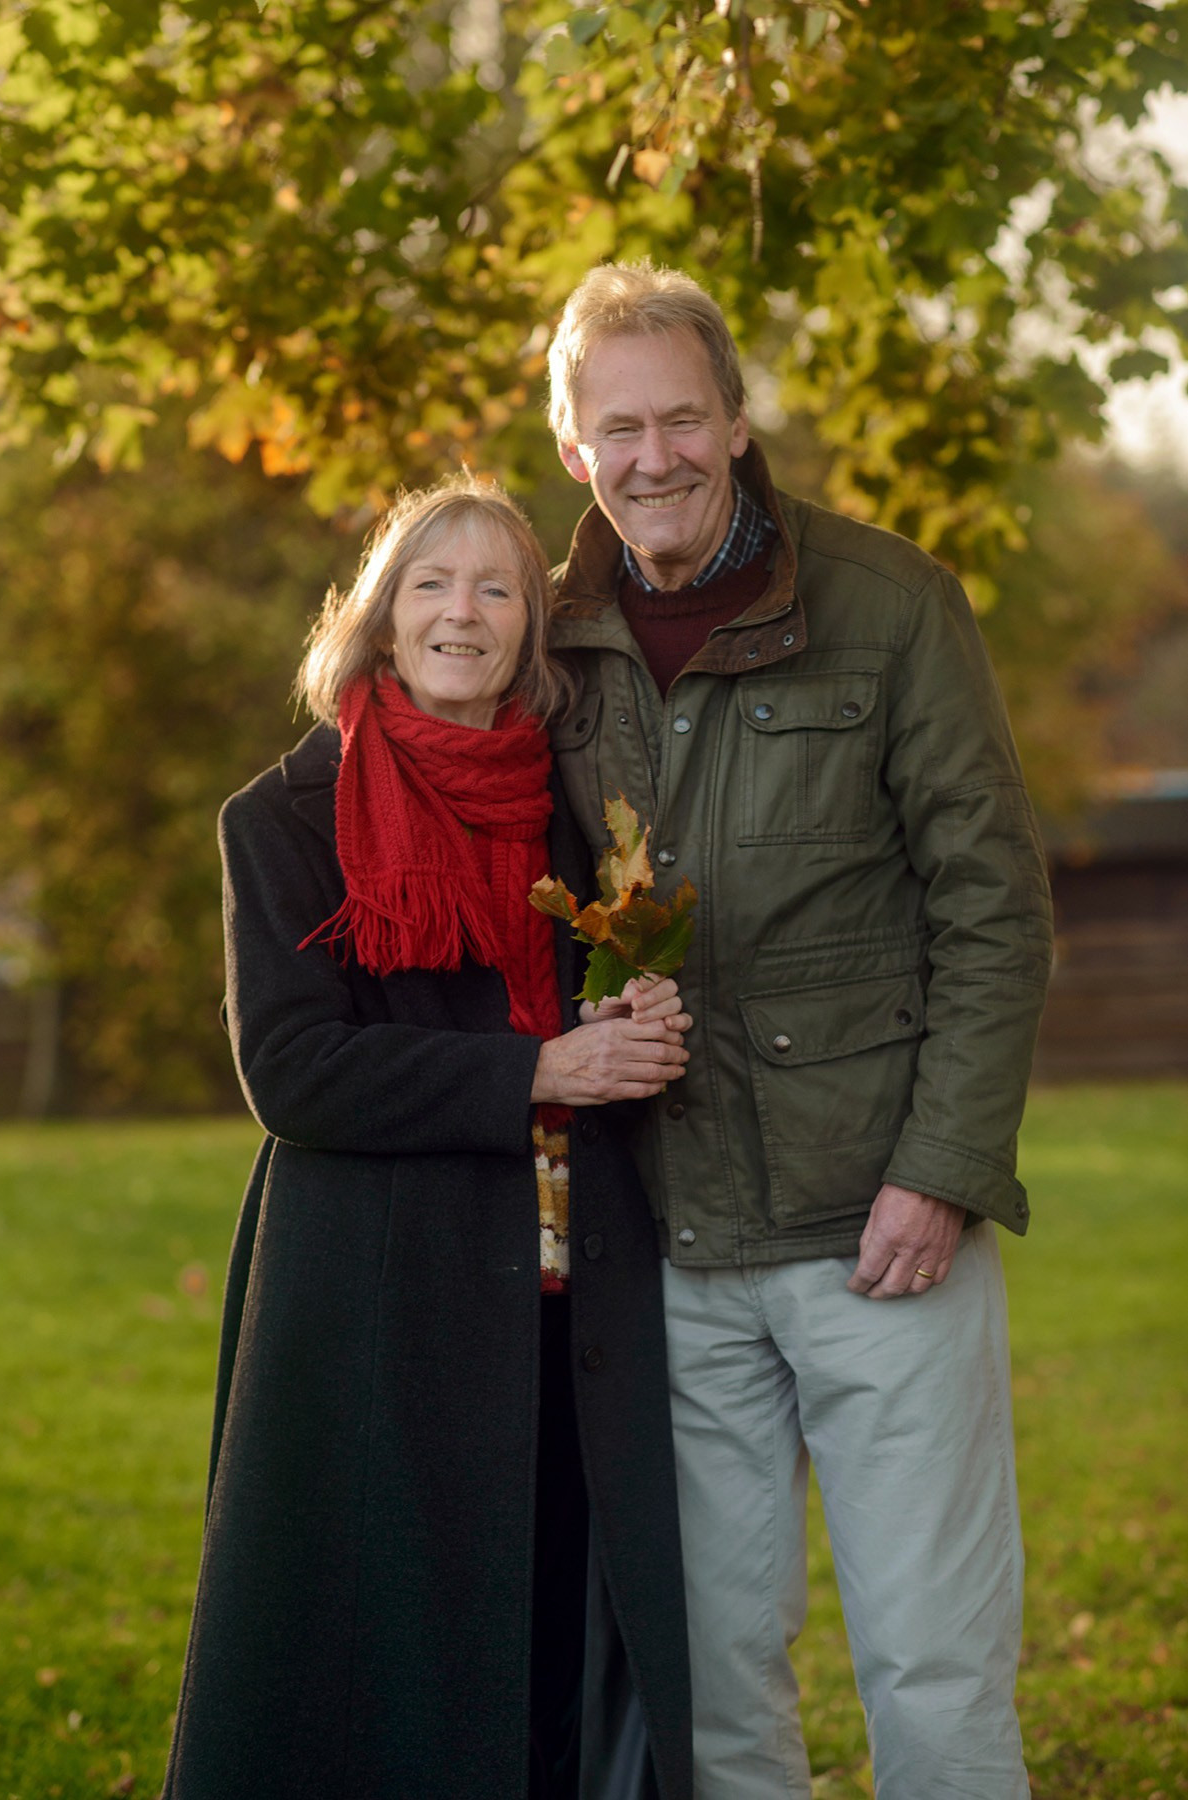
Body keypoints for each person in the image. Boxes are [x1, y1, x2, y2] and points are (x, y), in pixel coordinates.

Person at [543, 260, 1054, 1800]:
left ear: (735, 420)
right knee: (708, 1688)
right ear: (571, 446)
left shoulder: (889, 605)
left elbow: (991, 905)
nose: (653, 458)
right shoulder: (542, 636)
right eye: (618, 428)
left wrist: (941, 1170)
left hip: (875, 1230)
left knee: (933, 1667)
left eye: (681, 419)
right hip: (666, 1246)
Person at [162, 475, 695, 1800]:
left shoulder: (576, 812)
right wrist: (539, 1067)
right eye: (431, 583)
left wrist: (633, 1015)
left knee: (560, 1661)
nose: (464, 611)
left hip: (570, 1306)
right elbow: (293, 1071)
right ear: (380, 616)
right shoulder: (283, 816)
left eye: (497, 587)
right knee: (379, 1679)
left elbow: (591, 1021)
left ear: (530, 630)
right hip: (380, 1308)